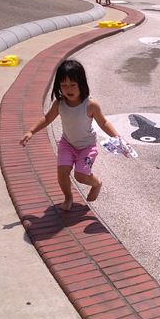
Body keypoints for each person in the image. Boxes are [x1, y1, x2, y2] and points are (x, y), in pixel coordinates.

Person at [19, 59, 122, 211]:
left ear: (81, 84)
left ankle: (96, 183)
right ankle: (68, 197)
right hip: (67, 144)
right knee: (62, 173)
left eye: (73, 85)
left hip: (87, 147)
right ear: (58, 86)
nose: (68, 89)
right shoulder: (59, 103)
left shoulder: (90, 104)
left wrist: (117, 137)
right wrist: (31, 131)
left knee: (80, 176)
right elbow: (47, 118)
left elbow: (104, 123)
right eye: (64, 85)